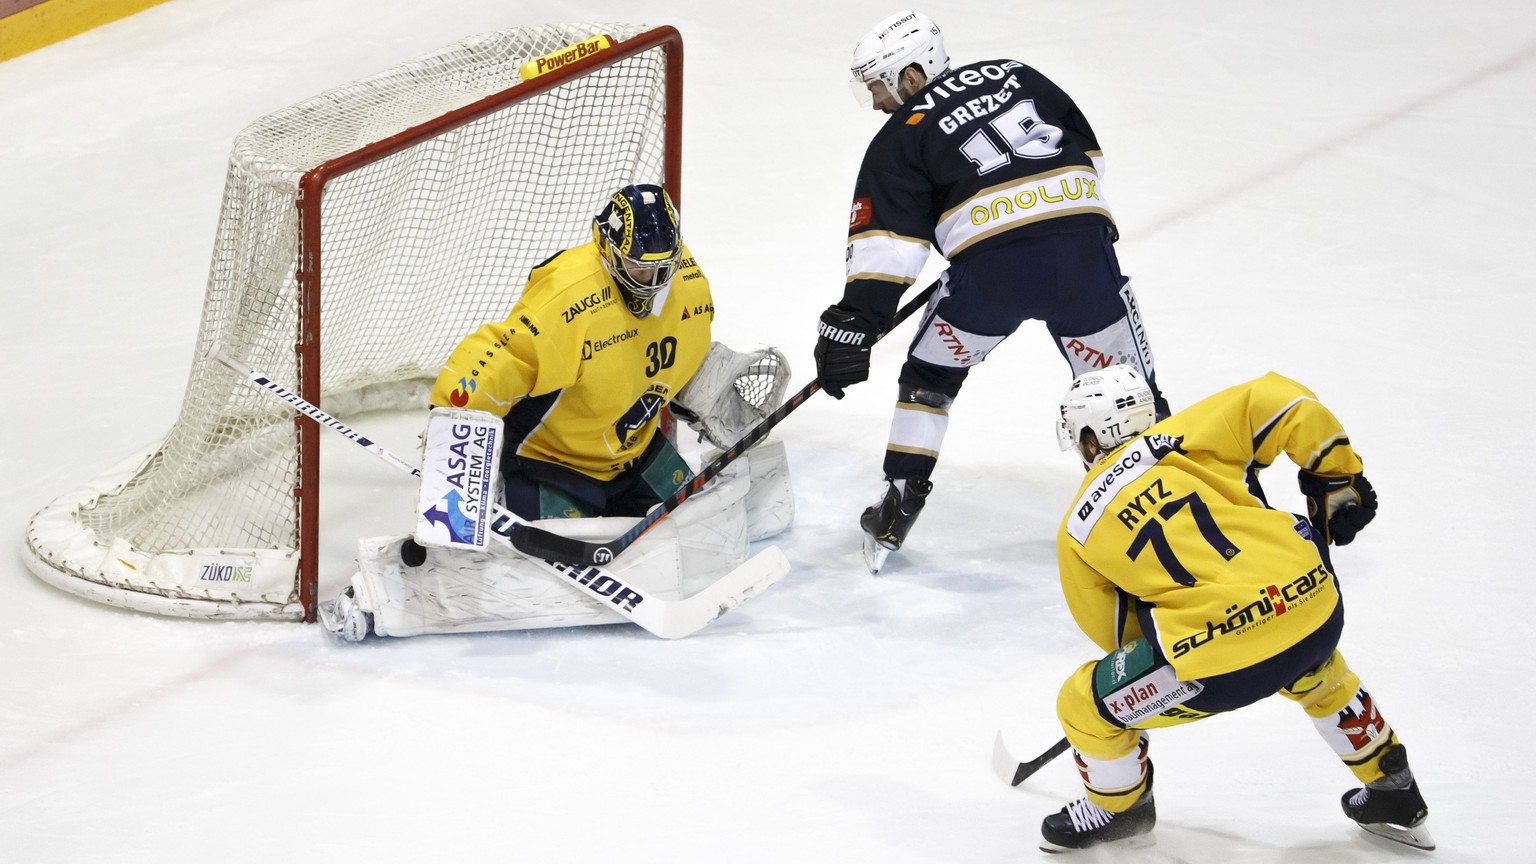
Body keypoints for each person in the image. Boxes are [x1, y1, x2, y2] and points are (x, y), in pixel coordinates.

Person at [317, 184, 796, 640]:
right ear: (609, 251)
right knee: (547, 559)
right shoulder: (567, 299)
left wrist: (702, 390)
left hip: (635, 450)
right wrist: (456, 434)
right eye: (639, 268)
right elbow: (495, 361)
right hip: (553, 464)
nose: (653, 282)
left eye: (662, 268)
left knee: (698, 516)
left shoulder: (687, 280)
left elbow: (679, 353)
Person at [814, 11, 1171, 573]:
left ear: (911, 76)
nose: (879, 103)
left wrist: (855, 320)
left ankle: (900, 500)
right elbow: (1086, 153)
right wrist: (1061, 220)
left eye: (880, 86)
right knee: (1128, 393)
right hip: (1084, 257)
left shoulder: (900, 136)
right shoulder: (1018, 73)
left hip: (991, 278)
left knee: (930, 377)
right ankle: (1166, 509)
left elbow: (889, 243)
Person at [1036, 364, 1430, 852]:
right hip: (1316, 607)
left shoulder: (1077, 525)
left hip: (1219, 668)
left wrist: (1195, 648)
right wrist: (1336, 478)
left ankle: (1120, 806)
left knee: (1082, 703)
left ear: (1090, 437)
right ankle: (1393, 786)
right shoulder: (1189, 433)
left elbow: (1119, 634)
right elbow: (1287, 402)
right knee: (1312, 666)